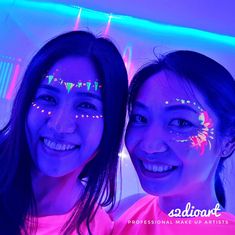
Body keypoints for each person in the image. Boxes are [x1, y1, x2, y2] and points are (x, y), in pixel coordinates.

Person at [0, 30, 128, 235]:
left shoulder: (96, 229)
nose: (59, 126)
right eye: (48, 99)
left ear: (111, 126)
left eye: (86, 106)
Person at [113, 50, 235, 235]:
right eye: (140, 118)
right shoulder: (123, 212)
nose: (149, 146)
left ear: (228, 142)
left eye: (181, 123)